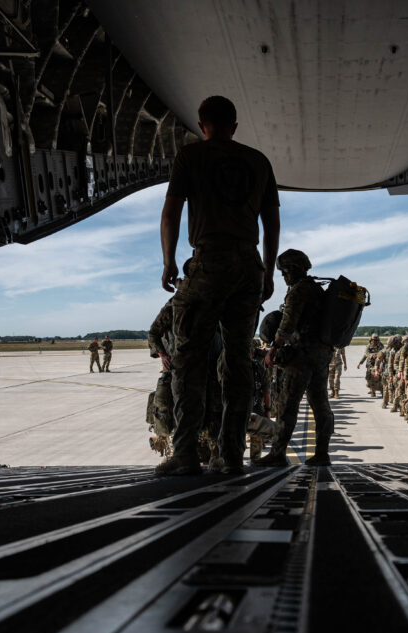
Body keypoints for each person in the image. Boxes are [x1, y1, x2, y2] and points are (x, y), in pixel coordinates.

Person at [158, 95, 281, 476]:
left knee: (190, 360)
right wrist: (268, 271)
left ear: (201, 124)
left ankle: (186, 453)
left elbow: (171, 212)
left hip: (209, 262)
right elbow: (272, 222)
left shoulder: (190, 157)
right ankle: (230, 456)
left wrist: (168, 261)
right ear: (235, 125)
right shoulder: (258, 161)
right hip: (248, 266)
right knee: (238, 363)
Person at [257, 249, 334, 467]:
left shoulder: (299, 290)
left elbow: (288, 322)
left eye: (285, 272)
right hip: (321, 355)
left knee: (287, 405)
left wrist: (275, 348)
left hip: (301, 356)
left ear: (295, 269)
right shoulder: (317, 289)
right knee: (320, 404)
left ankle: (278, 454)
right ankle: (322, 453)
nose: (284, 277)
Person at [147, 302, 176, 458]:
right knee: (162, 406)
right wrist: (162, 355)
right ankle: (165, 445)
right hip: (172, 370)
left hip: (199, 369)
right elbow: (152, 335)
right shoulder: (173, 306)